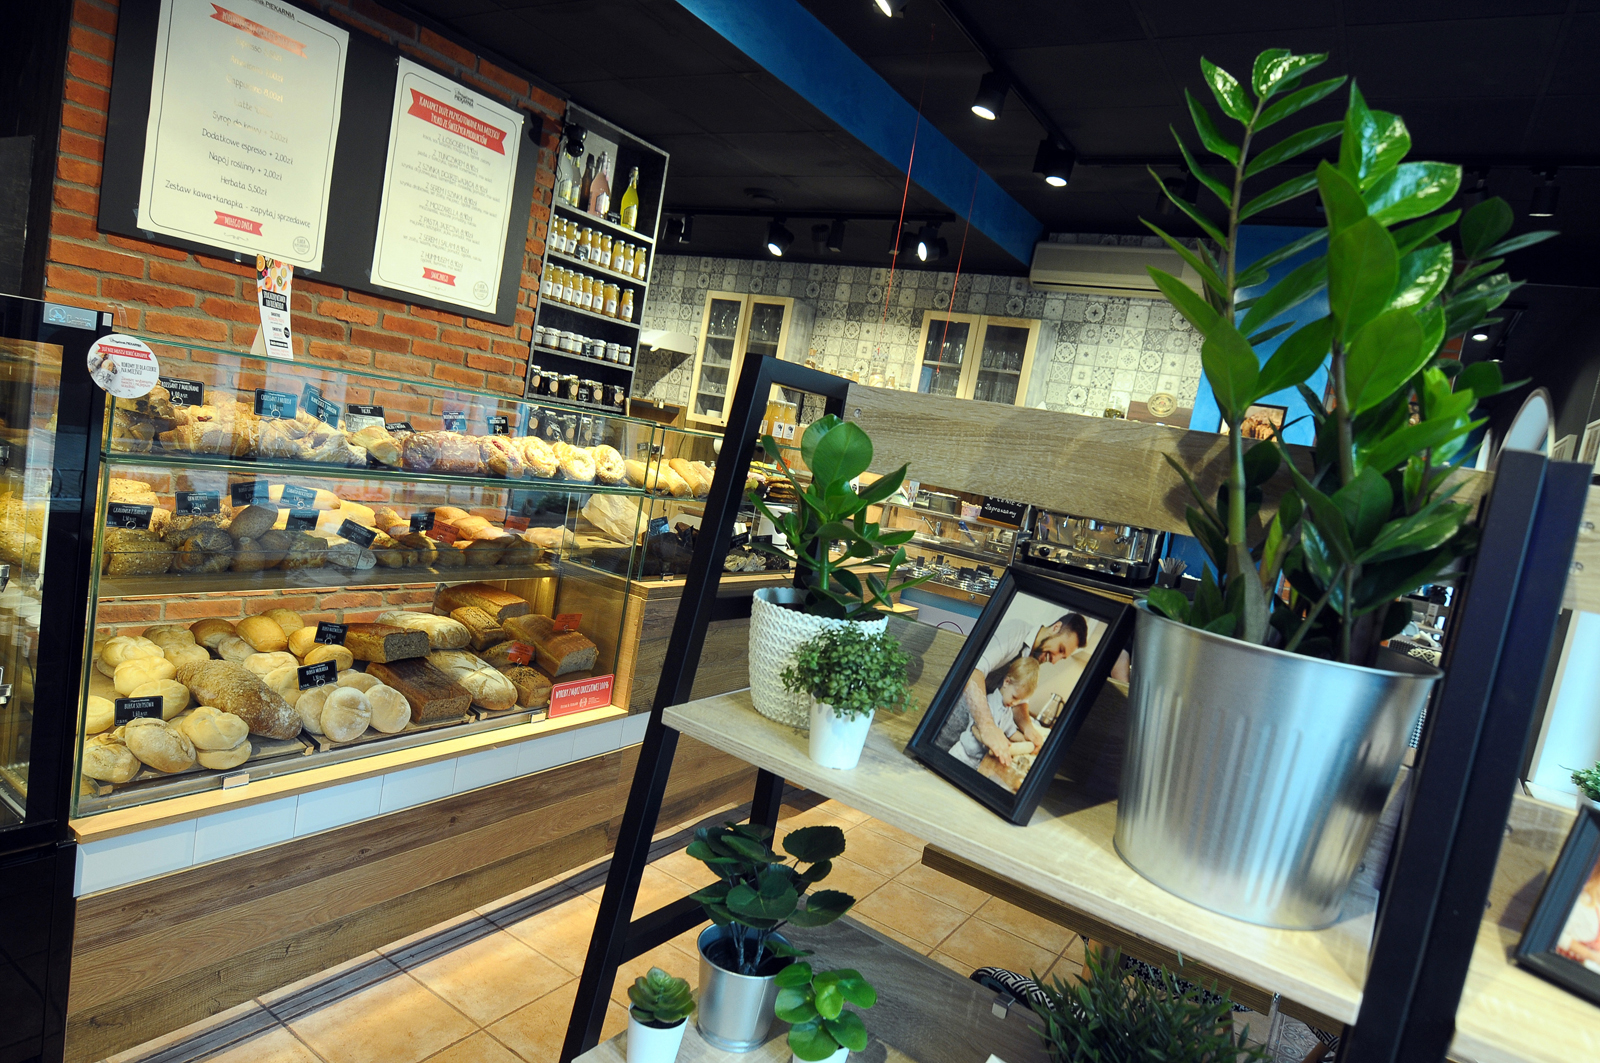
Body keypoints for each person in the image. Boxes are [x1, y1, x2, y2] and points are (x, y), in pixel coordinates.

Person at [935, 608, 1088, 770]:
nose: (1055, 660)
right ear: (1056, 628)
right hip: (954, 718)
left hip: (978, 743)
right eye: (1060, 649)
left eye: (1062, 657)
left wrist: (1028, 729)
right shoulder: (1016, 631)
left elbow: (1019, 704)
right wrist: (987, 726)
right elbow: (974, 671)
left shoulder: (1034, 658)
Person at [948, 656, 1039, 769]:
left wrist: (1026, 741)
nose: (1015, 703)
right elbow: (975, 729)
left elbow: (1011, 733)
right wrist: (997, 744)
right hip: (962, 755)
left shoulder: (1008, 712)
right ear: (1006, 682)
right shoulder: (987, 704)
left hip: (978, 761)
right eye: (1014, 697)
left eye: (1019, 700)